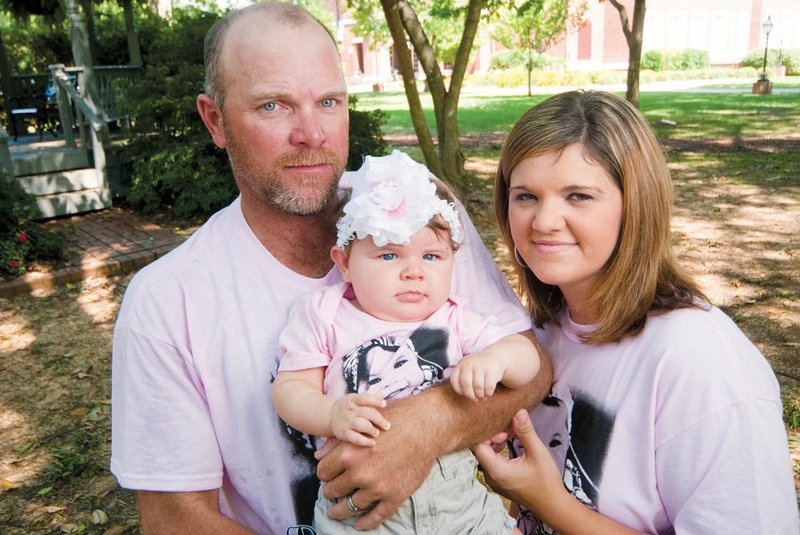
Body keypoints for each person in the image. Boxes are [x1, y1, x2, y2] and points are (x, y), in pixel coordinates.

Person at [109, 2, 552, 533]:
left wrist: (427, 426)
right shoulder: (167, 300)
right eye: (273, 106)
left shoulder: (420, 220)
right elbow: (175, 521)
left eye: (328, 101)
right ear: (215, 120)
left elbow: (534, 369)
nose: (311, 133)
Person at [473, 89, 799, 534]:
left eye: (578, 196)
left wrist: (548, 500)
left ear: (635, 206)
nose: (544, 221)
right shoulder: (539, 337)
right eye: (526, 196)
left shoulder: (701, 361)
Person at [273, 151, 541, 533]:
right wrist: (330, 413)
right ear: (345, 263)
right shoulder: (325, 315)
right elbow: (291, 390)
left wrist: (498, 359)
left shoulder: (455, 318)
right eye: (389, 255)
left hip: (455, 500)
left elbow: (528, 358)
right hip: (359, 509)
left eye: (431, 255)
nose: (414, 272)